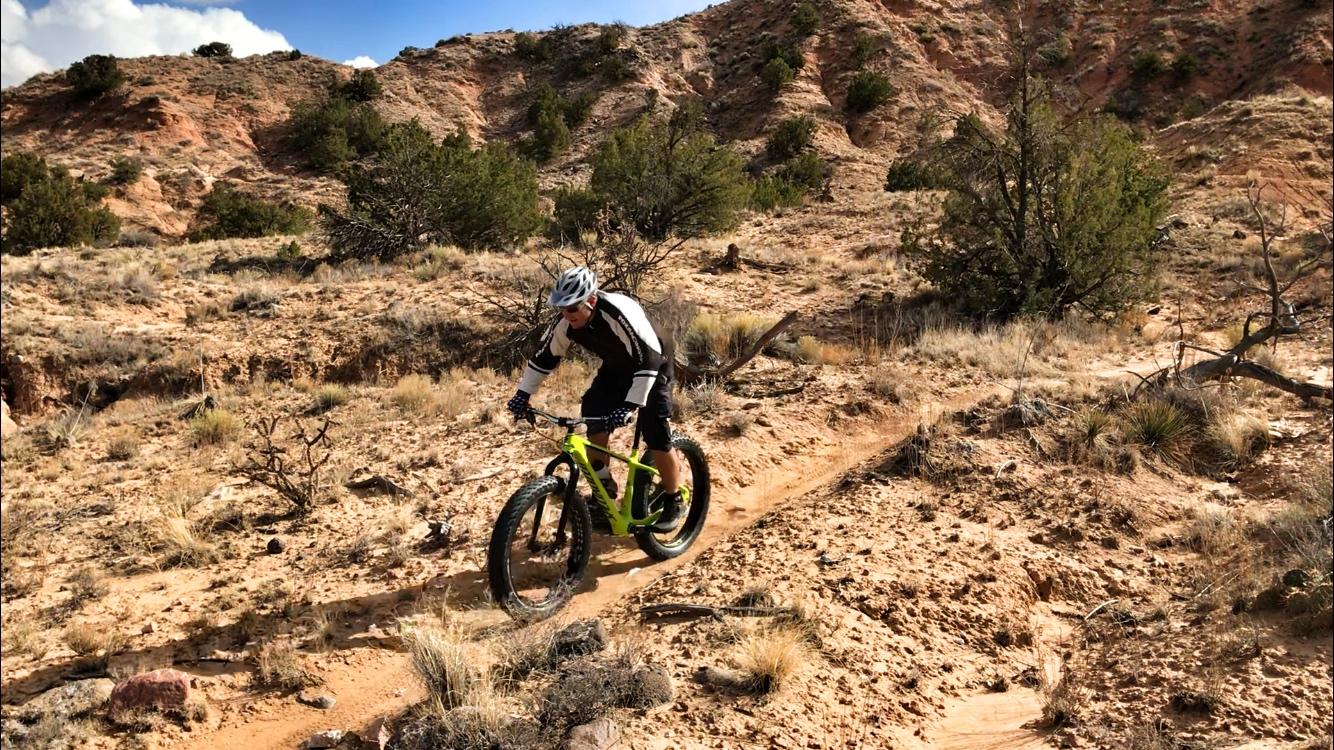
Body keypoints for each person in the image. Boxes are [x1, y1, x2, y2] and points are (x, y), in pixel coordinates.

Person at [506, 267, 682, 532]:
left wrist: (629, 406)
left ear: (590, 301)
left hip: (654, 365)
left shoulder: (616, 313)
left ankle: (673, 498)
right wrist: (522, 395)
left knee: (655, 432)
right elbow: (544, 359)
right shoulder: (566, 322)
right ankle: (604, 492)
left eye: (572, 308)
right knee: (594, 414)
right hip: (616, 368)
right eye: (561, 308)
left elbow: (649, 360)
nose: (566, 314)